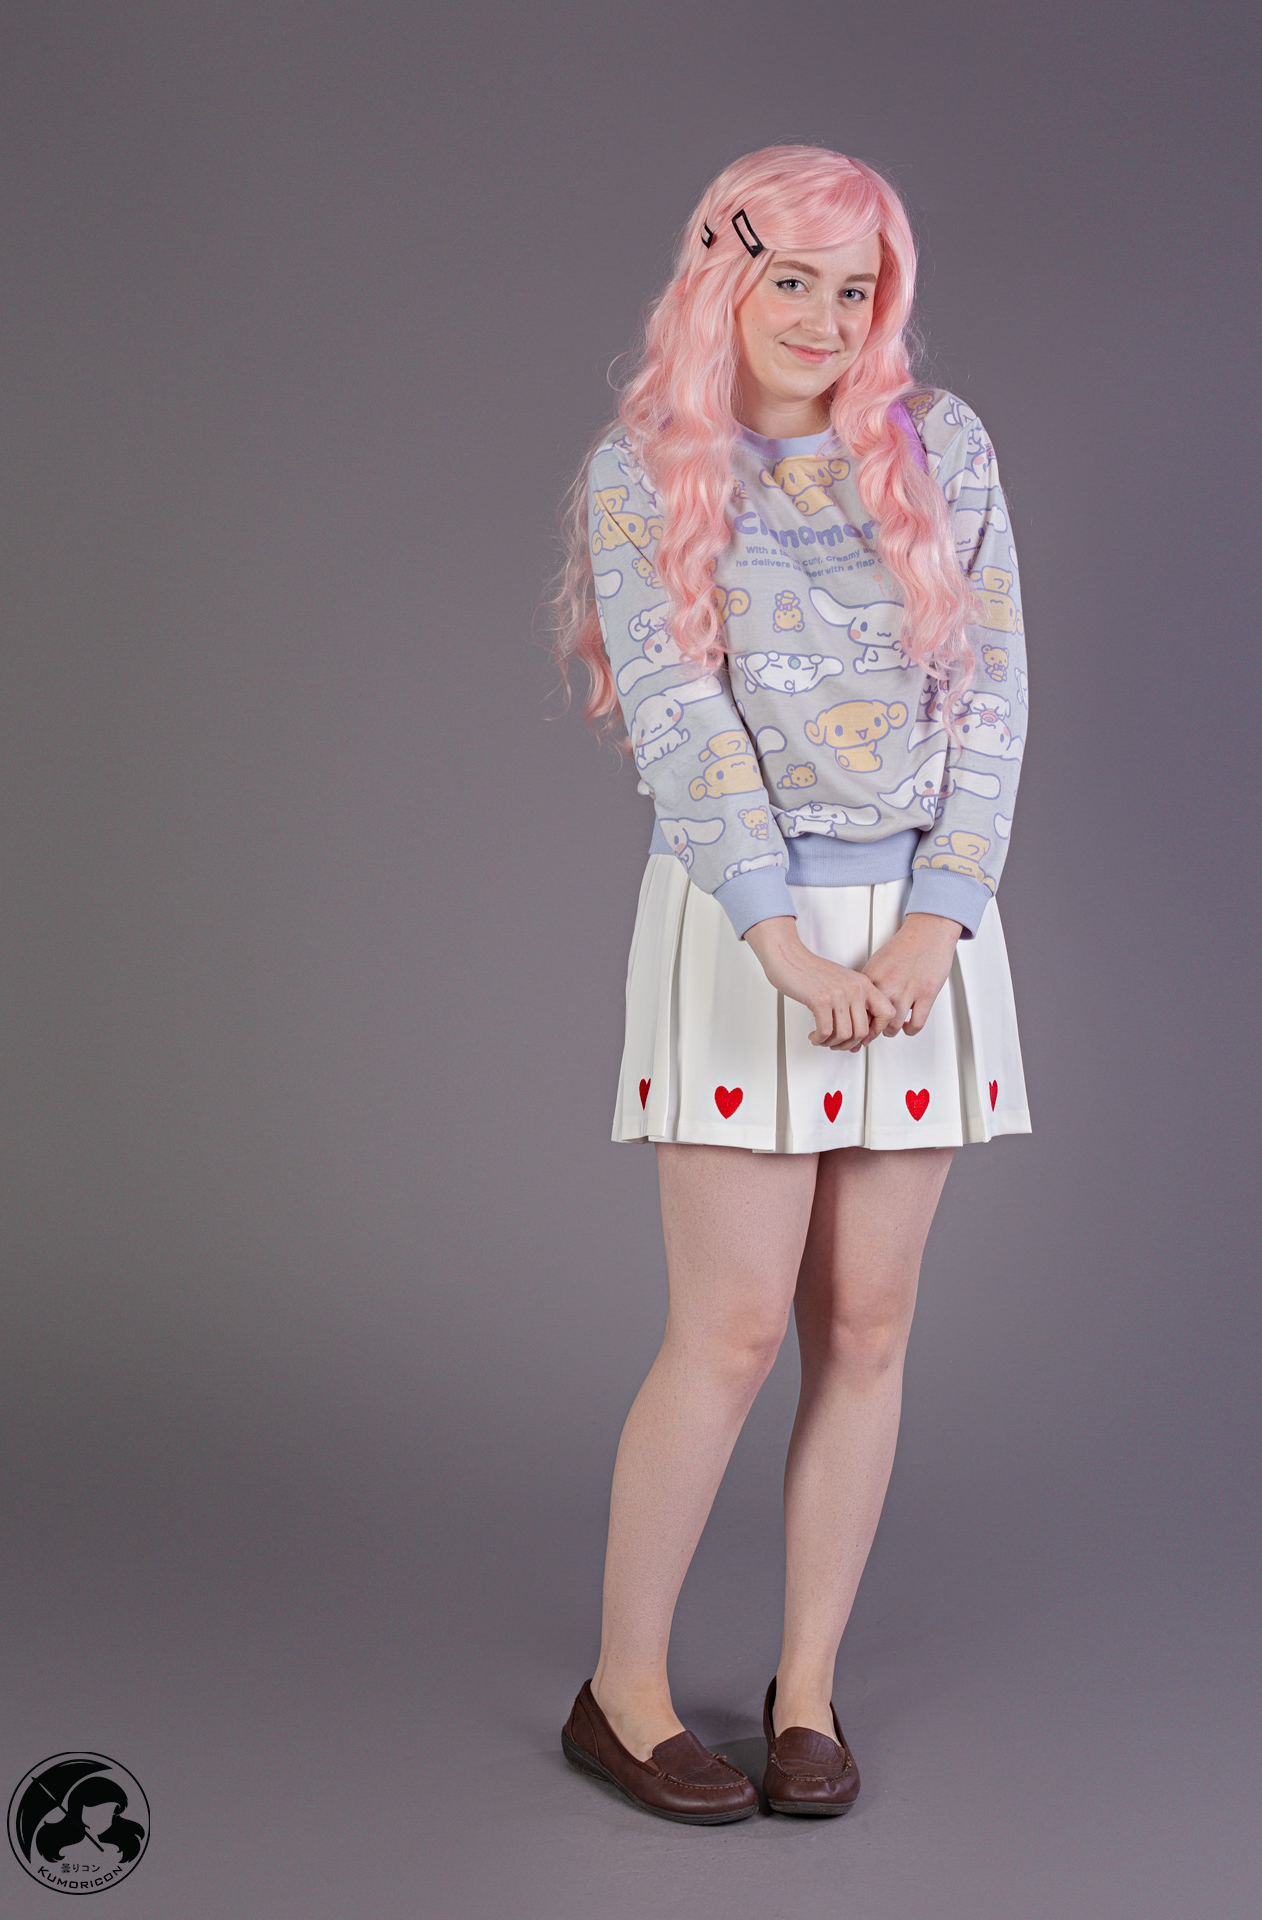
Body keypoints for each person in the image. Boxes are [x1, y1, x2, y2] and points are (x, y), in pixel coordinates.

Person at [551, 144, 1031, 1824]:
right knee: (736, 1327)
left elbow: (994, 697)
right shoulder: (646, 468)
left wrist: (934, 925)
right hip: (740, 924)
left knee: (870, 1323)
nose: (828, 317)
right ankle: (621, 1691)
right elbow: (682, 721)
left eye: (857, 287)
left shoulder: (941, 448)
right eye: (794, 280)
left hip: (921, 935)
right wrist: (780, 941)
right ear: (723, 278)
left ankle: (806, 1689)